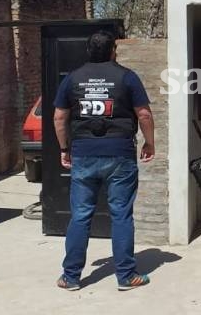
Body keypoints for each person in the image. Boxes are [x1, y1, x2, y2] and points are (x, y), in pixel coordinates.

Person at [53, 30, 155, 292]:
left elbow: (59, 117)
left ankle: (71, 277)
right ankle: (126, 276)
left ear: (88, 51)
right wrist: (150, 142)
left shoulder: (73, 78)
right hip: (120, 154)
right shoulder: (127, 77)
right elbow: (143, 114)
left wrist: (65, 148)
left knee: (81, 214)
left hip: (84, 154)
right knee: (121, 214)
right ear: (113, 50)